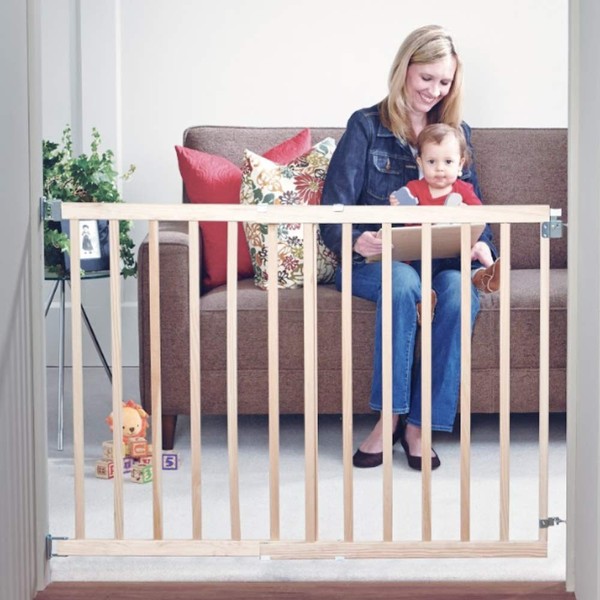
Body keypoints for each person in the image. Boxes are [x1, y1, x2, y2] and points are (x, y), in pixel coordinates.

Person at [320, 24, 498, 471]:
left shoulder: (457, 133)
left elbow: (476, 209)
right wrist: (355, 238)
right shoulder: (366, 126)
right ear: (404, 69)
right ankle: (389, 418)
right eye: (426, 78)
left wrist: (479, 244)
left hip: (442, 261)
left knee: (458, 293)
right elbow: (331, 212)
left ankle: (420, 426)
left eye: (444, 82)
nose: (434, 91)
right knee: (402, 281)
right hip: (375, 261)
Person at [389, 122, 501, 295]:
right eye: (431, 162)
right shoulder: (414, 188)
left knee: (467, 260)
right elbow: (404, 220)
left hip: (455, 251)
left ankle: (484, 277)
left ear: (460, 164)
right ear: (420, 163)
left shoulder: (463, 189)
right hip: (423, 252)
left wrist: (466, 212)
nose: (440, 168)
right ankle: (424, 298)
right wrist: (397, 206)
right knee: (420, 266)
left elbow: (480, 216)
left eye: (448, 162)